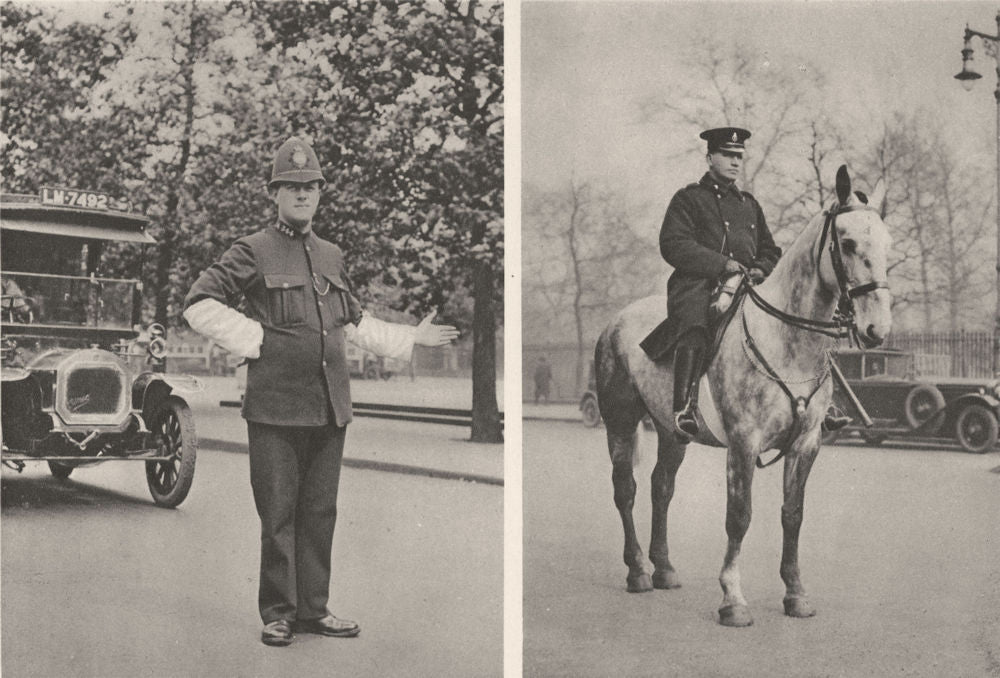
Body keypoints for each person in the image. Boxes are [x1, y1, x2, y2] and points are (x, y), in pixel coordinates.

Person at [182, 137, 459, 647]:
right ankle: (278, 613)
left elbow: (354, 321)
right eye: (292, 186)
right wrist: (257, 339)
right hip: (276, 407)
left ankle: (314, 609)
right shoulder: (253, 249)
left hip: (329, 406)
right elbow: (198, 304)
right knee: (278, 513)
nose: (302, 194)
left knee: (320, 512)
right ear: (275, 193)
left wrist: (410, 338)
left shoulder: (331, 254)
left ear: (320, 193)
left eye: (311, 186)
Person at [648, 127, 781, 438]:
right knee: (695, 324)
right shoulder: (689, 199)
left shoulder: (749, 204)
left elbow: (770, 249)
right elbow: (673, 243)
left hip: (747, 286)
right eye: (727, 155)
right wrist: (722, 264)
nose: (735, 162)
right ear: (709, 158)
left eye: (739, 157)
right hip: (699, 285)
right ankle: (684, 409)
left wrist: (760, 269)